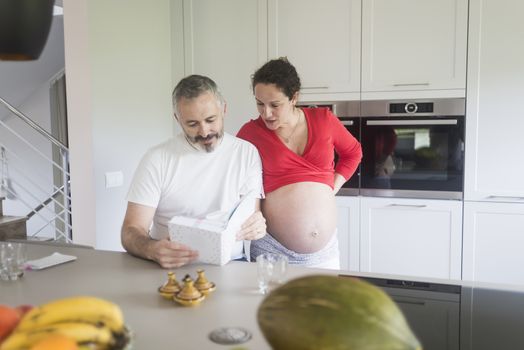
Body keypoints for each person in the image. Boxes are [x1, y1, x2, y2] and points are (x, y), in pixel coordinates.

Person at [121, 75, 266, 269]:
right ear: (177, 119)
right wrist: (152, 249)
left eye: (210, 120)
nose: (204, 132)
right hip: (171, 267)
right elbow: (131, 230)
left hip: (232, 263)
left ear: (224, 109)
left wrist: (256, 226)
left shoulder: (246, 153)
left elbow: (251, 214)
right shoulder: (157, 159)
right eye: (192, 124)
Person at [237, 58, 362, 269]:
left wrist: (332, 187)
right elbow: (238, 181)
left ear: (294, 97)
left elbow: (353, 152)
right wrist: (254, 212)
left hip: (325, 254)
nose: (266, 113)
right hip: (273, 252)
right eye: (260, 103)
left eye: (275, 105)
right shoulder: (250, 134)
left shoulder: (324, 120)